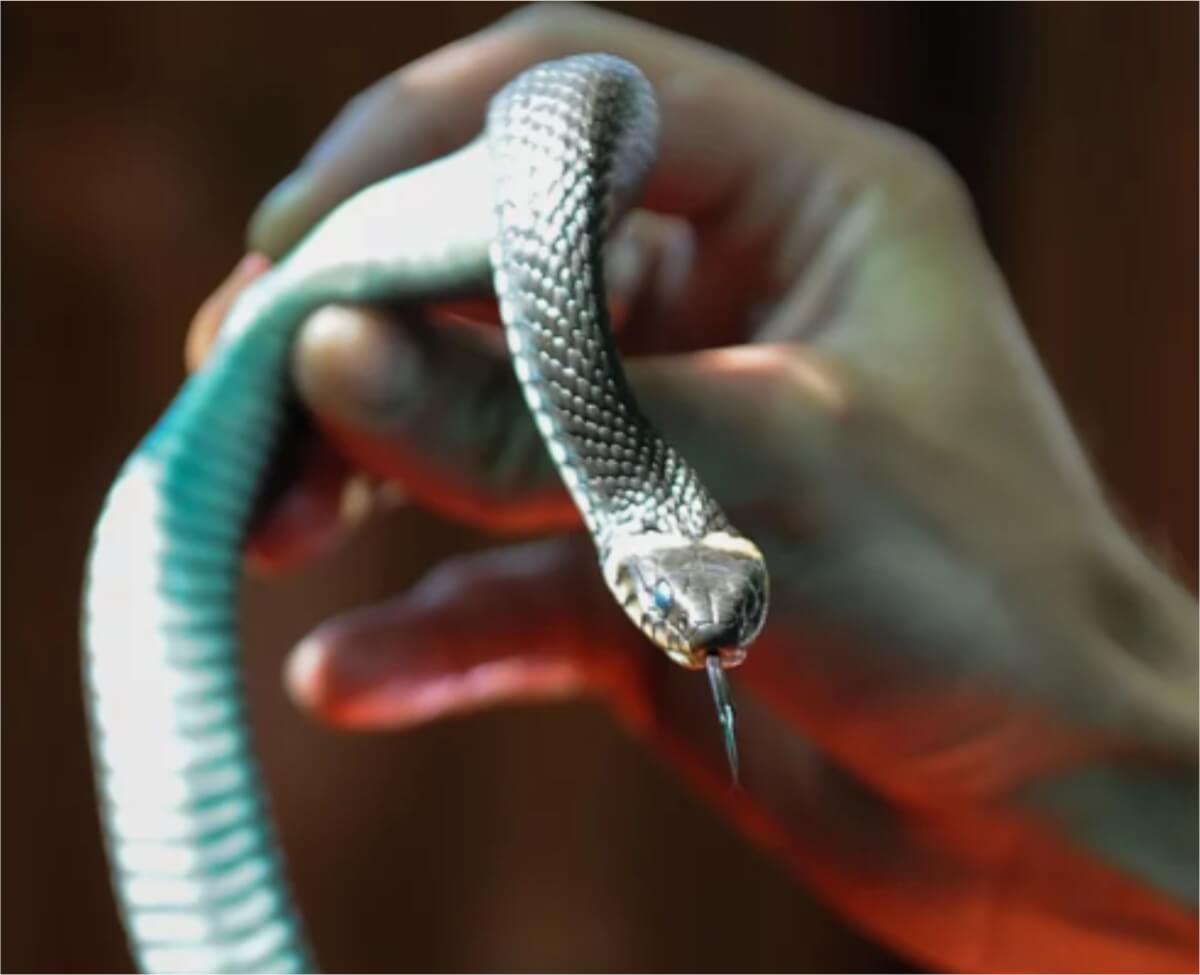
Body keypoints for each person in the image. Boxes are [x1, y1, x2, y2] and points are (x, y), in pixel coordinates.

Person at [187, 7, 1197, 971]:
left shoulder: (643, 485)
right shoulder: (596, 407)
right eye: (686, 610)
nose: (717, 644)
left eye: (728, 611)